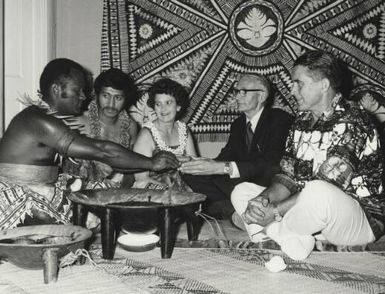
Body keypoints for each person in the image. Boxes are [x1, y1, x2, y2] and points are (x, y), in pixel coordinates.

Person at [231, 50, 384, 260]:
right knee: (242, 191)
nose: (292, 90)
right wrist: (262, 200)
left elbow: (328, 185)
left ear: (323, 85)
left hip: (358, 219)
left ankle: (274, 233)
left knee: (318, 190)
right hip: (308, 213)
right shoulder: (301, 120)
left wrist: (274, 212)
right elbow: (287, 177)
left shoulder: (354, 120)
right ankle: (290, 238)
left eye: (298, 83)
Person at [0, 58, 179, 230]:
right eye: (77, 90)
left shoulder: (46, 117)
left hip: (39, 184)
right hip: (14, 194)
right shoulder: (39, 120)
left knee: (101, 194)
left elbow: (108, 156)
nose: (83, 96)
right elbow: (102, 151)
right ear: (56, 89)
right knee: (89, 211)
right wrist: (151, 163)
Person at [180, 74, 294, 218]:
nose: (237, 98)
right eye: (236, 92)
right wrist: (200, 164)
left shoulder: (280, 119)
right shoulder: (238, 124)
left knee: (221, 194)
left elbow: (272, 163)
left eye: (244, 92)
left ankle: (226, 210)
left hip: (266, 185)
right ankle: (233, 212)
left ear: (262, 96)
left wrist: (224, 167)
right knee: (192, 174)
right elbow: (225, 157)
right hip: (240, 182)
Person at [63, 68, 139, 188]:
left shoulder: (131, 126)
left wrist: (121, 194)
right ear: (97, 95)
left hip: (114, 192)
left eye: (118, 98)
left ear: (126, 99)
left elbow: (132, 167)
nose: (111, 104)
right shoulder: (78, 121)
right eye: (105, 96)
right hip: (77, 190)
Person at [133, 78, 197, 191]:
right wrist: (171, 190)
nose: (163, 109)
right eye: (158, 104)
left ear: (178, 106)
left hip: (182, 189)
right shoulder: (147, 134)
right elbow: (141, 179)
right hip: (153, 192)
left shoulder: (184, 131)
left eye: (168, 103)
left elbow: (195, 167)